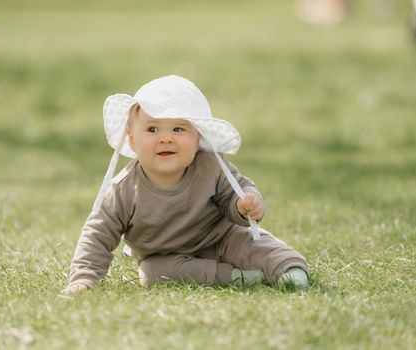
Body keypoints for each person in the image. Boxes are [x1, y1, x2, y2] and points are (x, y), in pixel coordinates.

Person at [62, 75, 309, 294]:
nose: (166, 138)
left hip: (221, 238)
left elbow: (237, 191)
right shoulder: (124, 189)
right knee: (152, 273)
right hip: (166, 256)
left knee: (255, 244)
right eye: (152, 129)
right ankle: (237, 278)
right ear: (132, 139)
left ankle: (288, 269)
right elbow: (98, 233)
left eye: (178, 129)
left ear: (198, 137)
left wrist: (245, 203)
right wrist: (84, 277)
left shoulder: (210, 166)